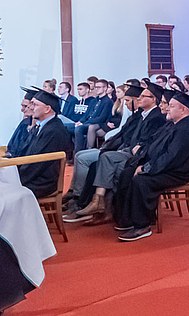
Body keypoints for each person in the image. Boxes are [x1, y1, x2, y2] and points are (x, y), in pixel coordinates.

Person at [109, 91, 189, 242]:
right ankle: (126, 219)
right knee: (127, 172)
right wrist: (141, 158)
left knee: (142, 181)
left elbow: (171, 157)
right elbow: (154, 144)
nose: (167, 108)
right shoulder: (172, 124)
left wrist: (146, 168)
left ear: (184, 110)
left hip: (177, 172)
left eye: (172, 106)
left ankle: (142, 225)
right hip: (165, 167)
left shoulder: (187, 130)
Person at [65, 84, 167, 223]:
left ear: (154, 99)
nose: (139, 98)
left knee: (102, 160)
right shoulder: (140, 115)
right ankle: (92, 203)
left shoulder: (156, 117)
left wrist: (134, 146)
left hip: (138, 156)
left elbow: (150, 140)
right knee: (95, 162)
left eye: (143, 96)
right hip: (127, 150)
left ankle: (91, 201)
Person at [12, 89, 72, 198]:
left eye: (34, 104)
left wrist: (16, 179)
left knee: (4, 193)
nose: (30, 107)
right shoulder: (40, 126)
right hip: (34, 176)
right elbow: (25, 153)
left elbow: (38, 164)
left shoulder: (54, 131)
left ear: (47, 109)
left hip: (42, 183)